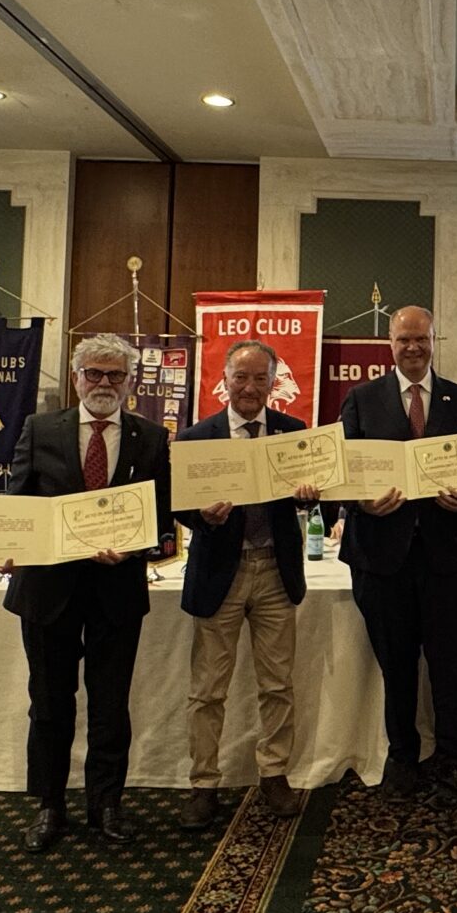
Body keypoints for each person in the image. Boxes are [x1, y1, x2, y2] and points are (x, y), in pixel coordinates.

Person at [4, 332, 176, 852]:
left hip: (116, 590)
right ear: (76, 377)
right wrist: (6, 543)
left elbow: (159, 516)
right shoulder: (39, 428)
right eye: (94, 373)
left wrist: (135, 548)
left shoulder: (151, 437)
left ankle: (106, 804)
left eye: (115, 375)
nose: (104, 383)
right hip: (47, 590)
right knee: (49, 703)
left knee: (110, 705)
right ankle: (49, 805)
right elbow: (17, 504)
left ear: (130, 381)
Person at [340, 305, 457, 812]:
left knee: (451, 665)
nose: (412, 347)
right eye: (403, 339)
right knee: (397, 663)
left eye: (421, 339)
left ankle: (454, 760)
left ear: (434, 341)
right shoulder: (361, 400)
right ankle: (402, 756)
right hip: (382, 558)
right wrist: (362, 503)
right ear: (390, 343)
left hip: (446, 558)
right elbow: (343, 473)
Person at [175, 340, 327, 830]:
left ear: (273, 383)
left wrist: (309, 497)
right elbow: (178, 506)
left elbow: (313, 496)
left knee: (278, 684)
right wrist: (202, 515)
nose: (249, 387)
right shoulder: (197, 437)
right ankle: (203, 783)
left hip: (275, 572)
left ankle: (274, 774)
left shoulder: (293, 433)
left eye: (260, 378)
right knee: (207, 690)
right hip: (220, 574)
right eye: (241, 377)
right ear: (225, 380)